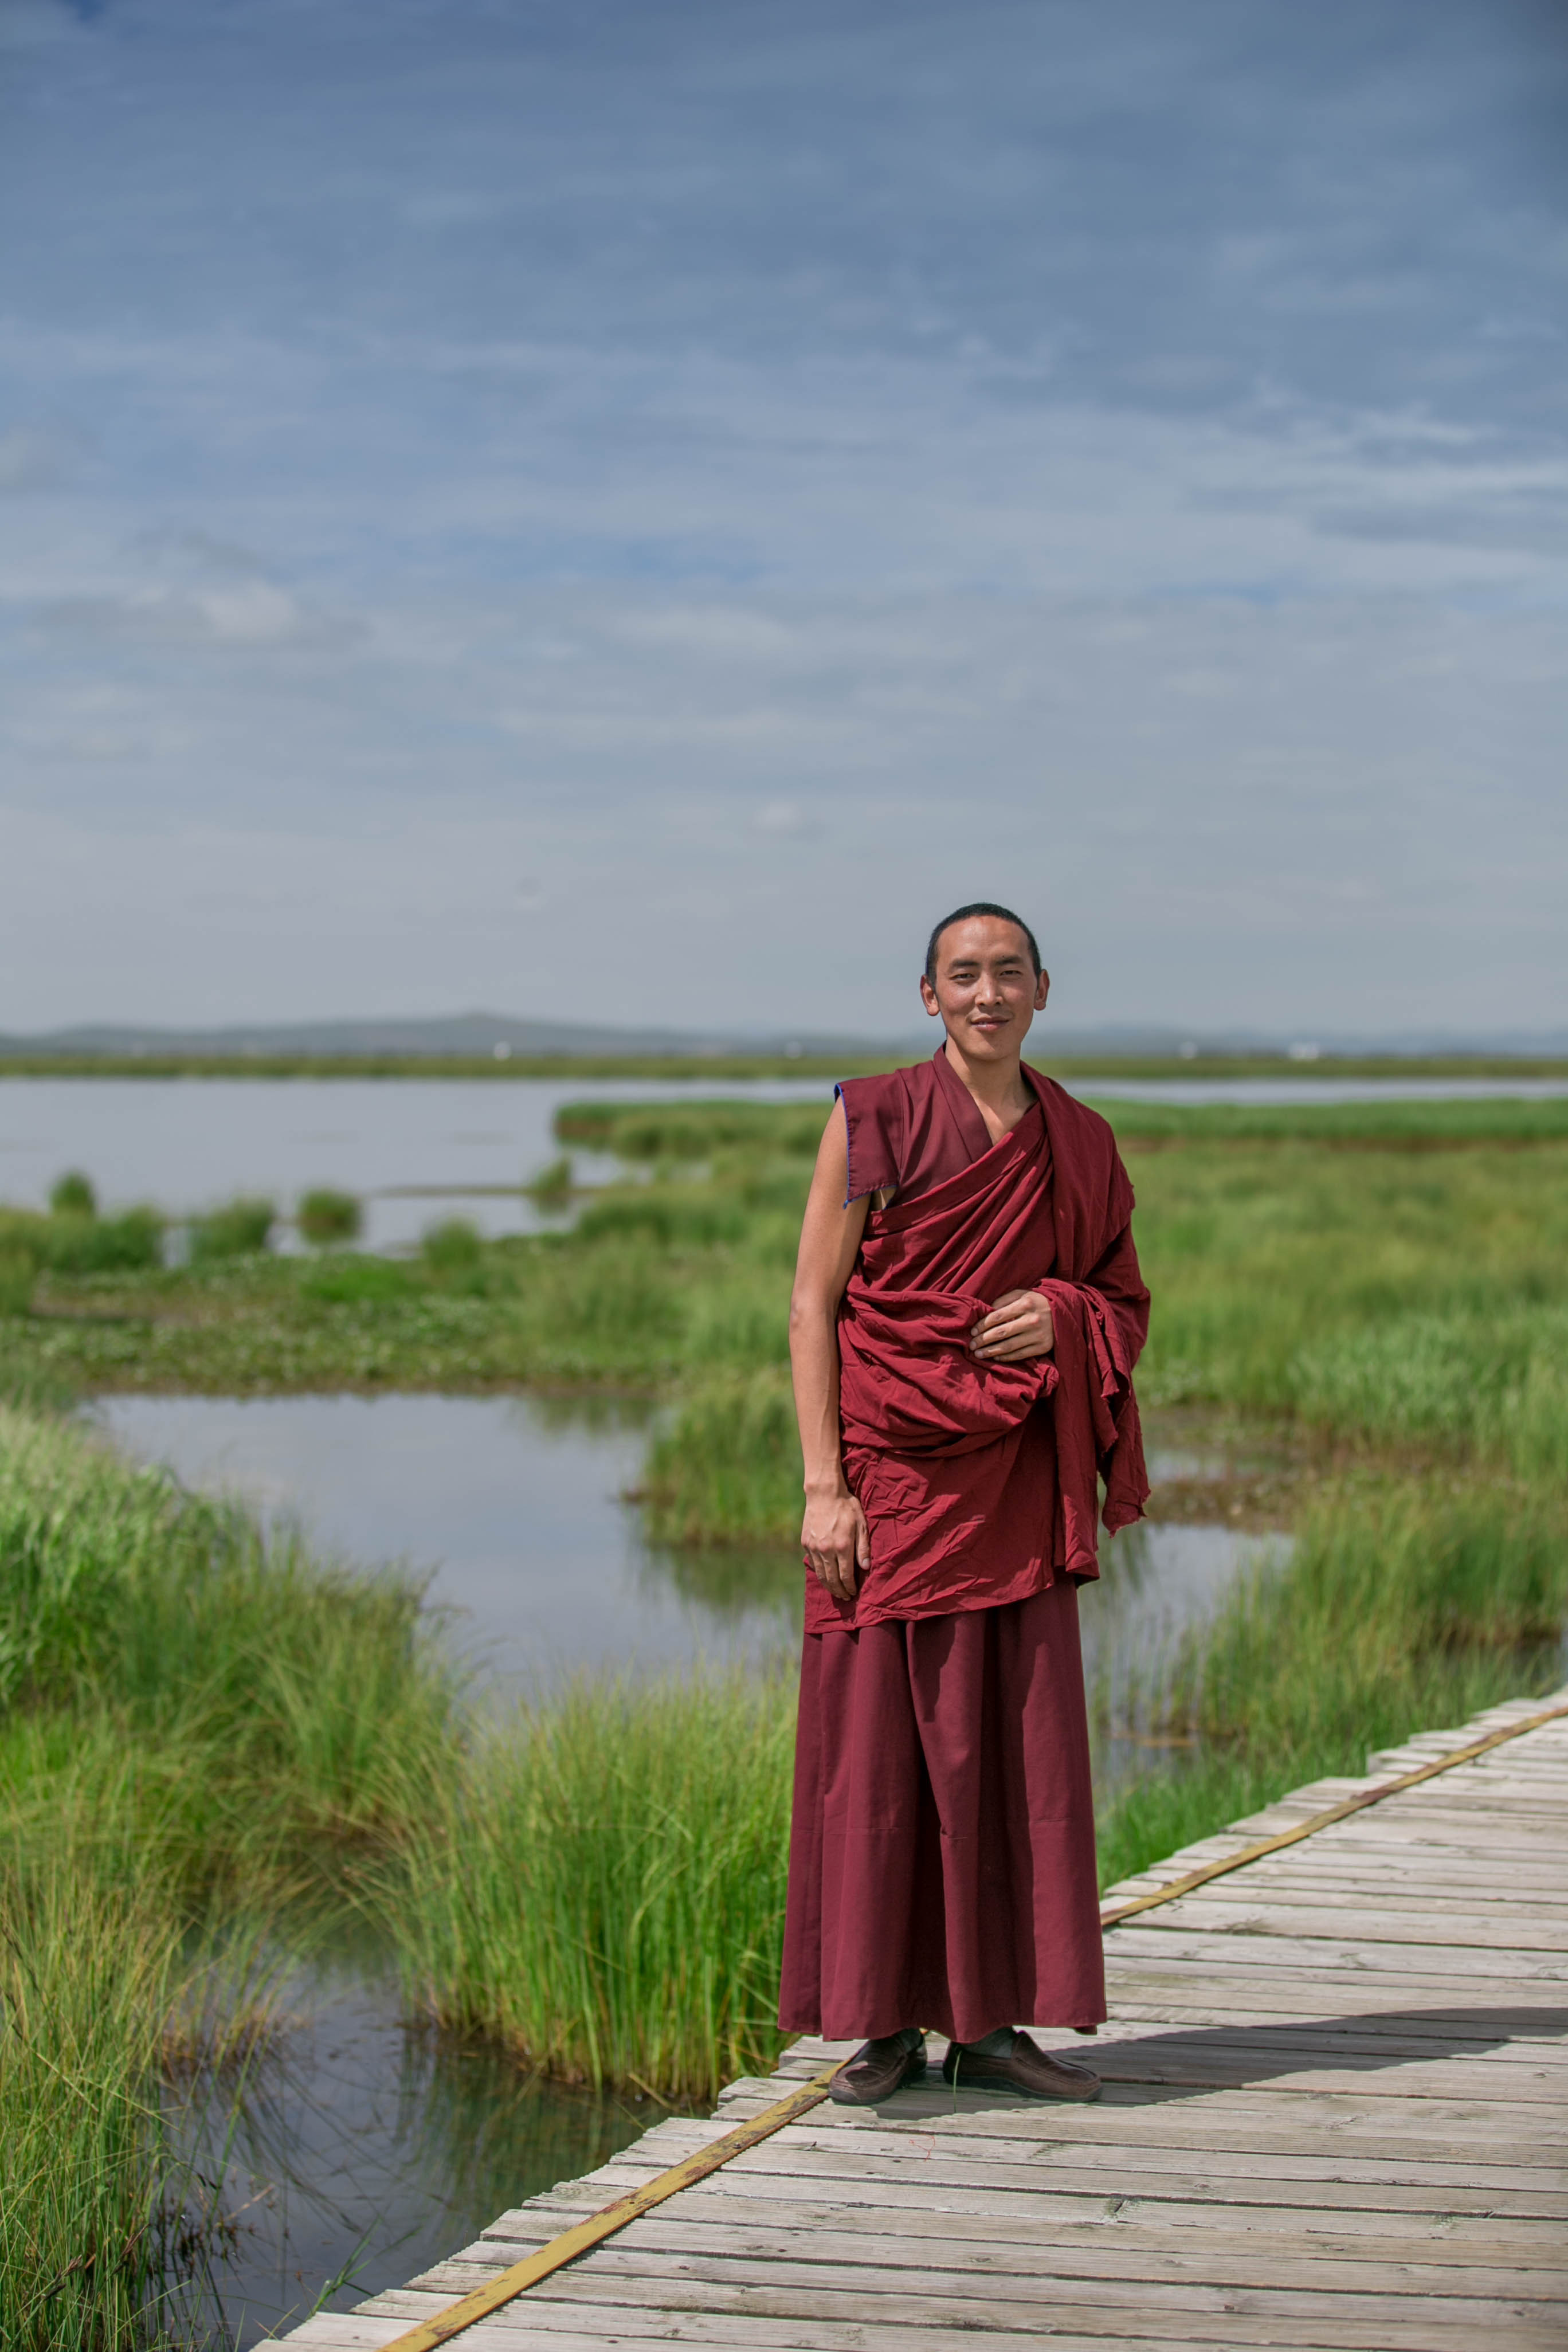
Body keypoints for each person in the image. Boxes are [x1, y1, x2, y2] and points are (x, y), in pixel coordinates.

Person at [778, 901, 1150, 2105]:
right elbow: (812, 1308)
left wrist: (1066, 1313)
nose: (987, 993)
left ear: (1044, 990)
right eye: (963, 975)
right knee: (879, 1761)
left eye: (1008, 973)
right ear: (927, 997)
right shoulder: (873, 1116)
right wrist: (823, 1487)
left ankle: (989, 2028)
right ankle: (880, 2030)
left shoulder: (1082, 1141)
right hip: (887, 1479)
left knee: (1010, 1754)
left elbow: (1121, 1300)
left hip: (1014, 1486)